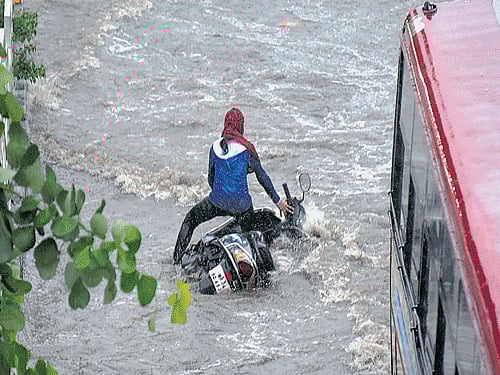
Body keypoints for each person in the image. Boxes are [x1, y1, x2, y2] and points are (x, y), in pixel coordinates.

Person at [173, 108, 294, 265]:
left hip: (216, 202)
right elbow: (262, 177)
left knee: (190, 221)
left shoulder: (215, 147)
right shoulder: (247, 149)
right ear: (240, 126)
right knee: (251, 235)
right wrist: (279, 202)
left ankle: (175, 262)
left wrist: (220, 194)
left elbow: (211, 178)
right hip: (242, 207)